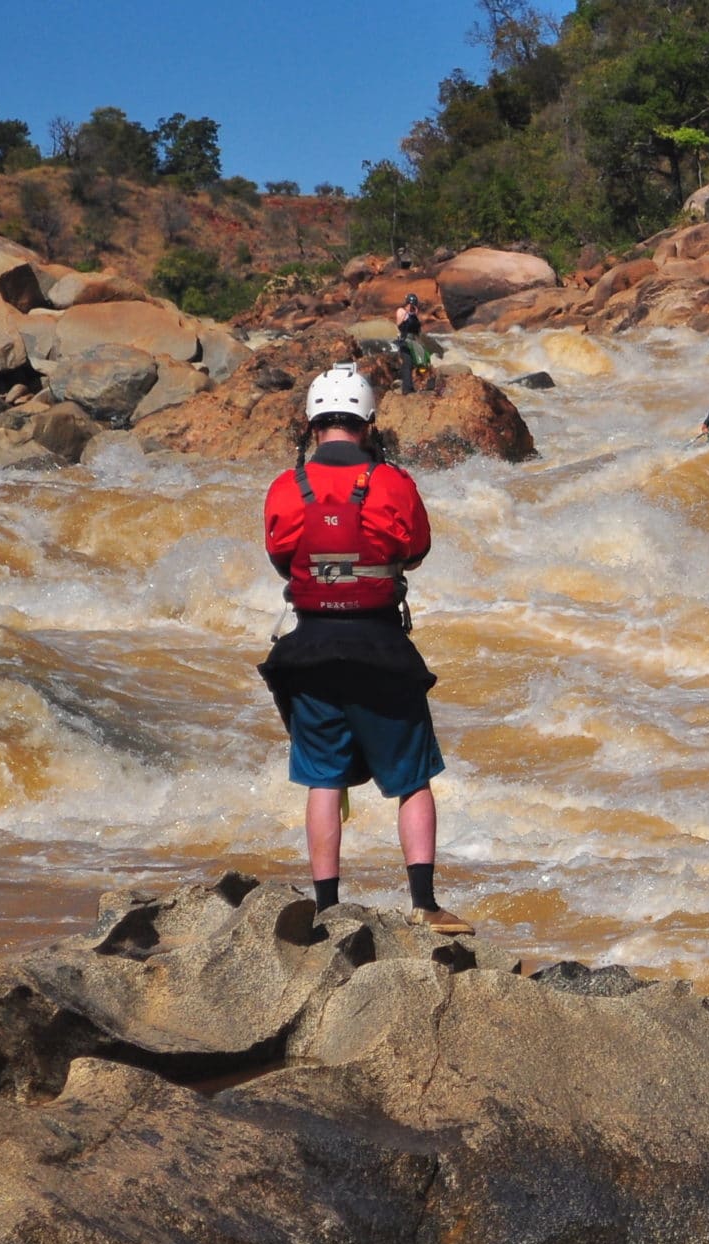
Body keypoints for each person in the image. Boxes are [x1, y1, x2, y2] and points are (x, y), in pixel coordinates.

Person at [256, 363, 472, 934]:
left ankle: (326, 909)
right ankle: (424, 905)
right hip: (381, 649)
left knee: (323, 779)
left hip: (310, 651)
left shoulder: (285, 487)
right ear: (368, 422)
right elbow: (417, 549)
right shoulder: (394, 483)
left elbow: (281, 557)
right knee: (412, 780)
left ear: (311, 422)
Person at [393, 294, 432, 395]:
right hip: (405, 341)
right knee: (407, 364)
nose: (412, 306)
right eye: (410, 304)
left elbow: (417, 329)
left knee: (420, 362)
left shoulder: (414, 313)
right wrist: (407, 313)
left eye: (413, 304)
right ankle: (407, 388)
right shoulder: (401, 311)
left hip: (414, 341)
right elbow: (399, 324)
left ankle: (420, 384)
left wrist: (414, 314)